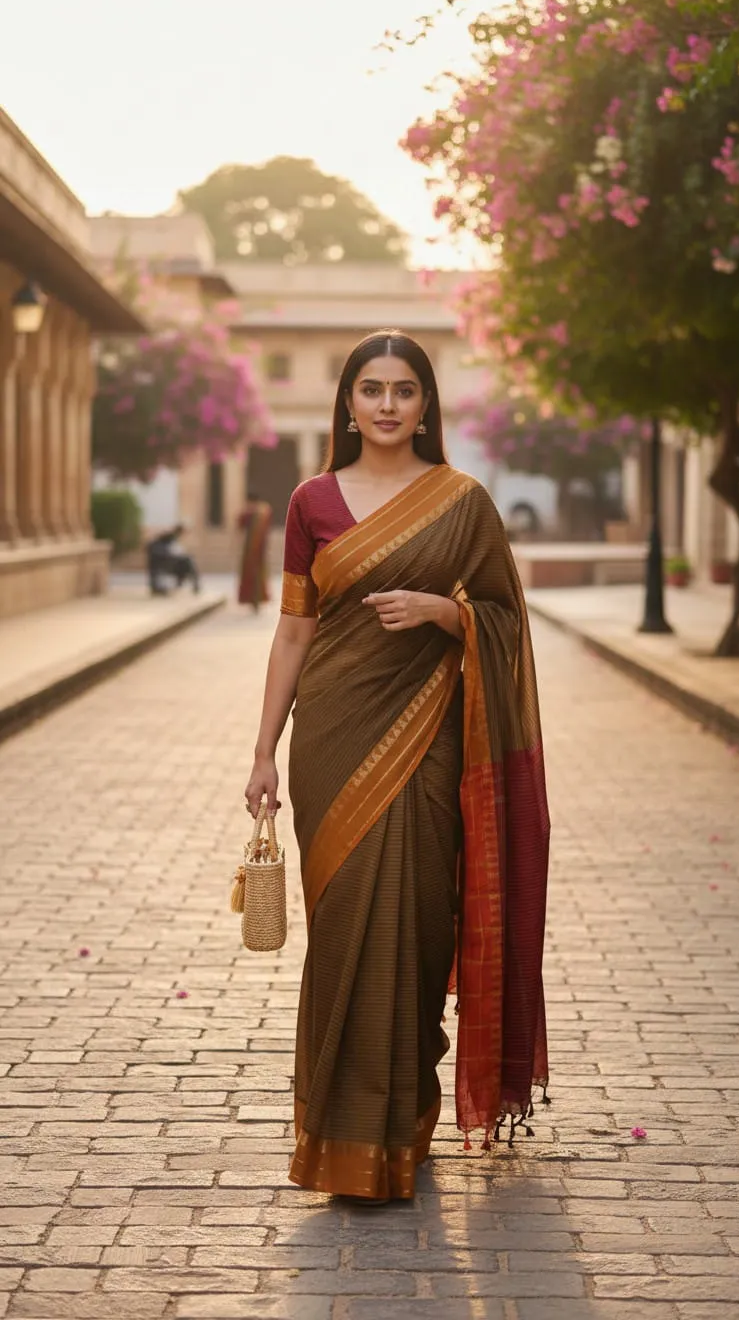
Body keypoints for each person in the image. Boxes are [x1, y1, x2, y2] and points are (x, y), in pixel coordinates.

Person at [244, 329, 550, 1203]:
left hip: (428, 741)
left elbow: (504, 621)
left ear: (425, 405)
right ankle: (338, 1141)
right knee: (342, 935)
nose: (386, 405)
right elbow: (295, 629)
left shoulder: (462, 501)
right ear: (348, 403)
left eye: (404, 390)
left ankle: (398, 1136)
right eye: (371, 389)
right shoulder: (311, 501)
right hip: (331, 741)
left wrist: (445, 614)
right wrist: (264, 748)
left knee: (418, 928)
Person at [237, 491, 273, 610]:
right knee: (258, 573)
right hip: (260, 547)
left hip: (251, 547)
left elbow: (240, 524)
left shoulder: (251, 512)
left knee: (252, 573)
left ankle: (254, 599)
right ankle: (257, 599)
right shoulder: (265, 511)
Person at [147, 523, 200, 595]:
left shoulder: (175, 542)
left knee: (188, 560)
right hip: (163, 564)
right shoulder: (165, 541)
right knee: (187, 560)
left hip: (171, 564)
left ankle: (194, 585)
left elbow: (179, 554)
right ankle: (164, 586)